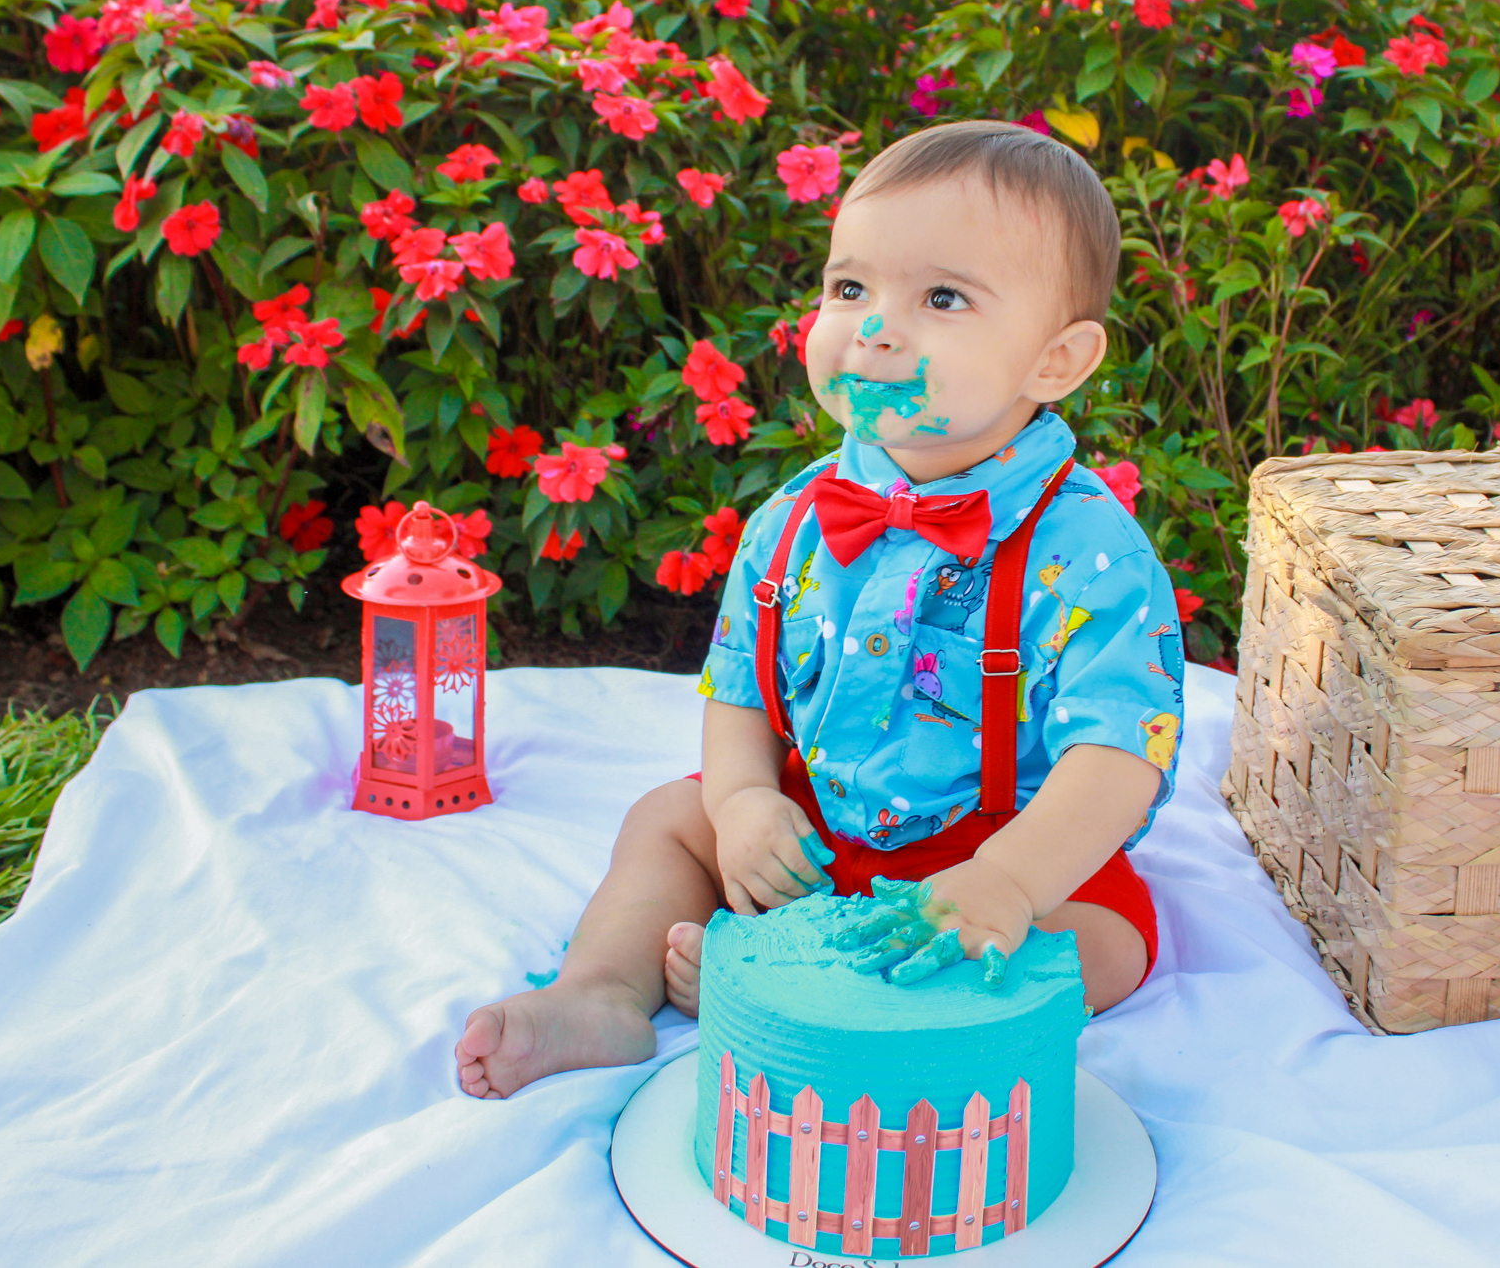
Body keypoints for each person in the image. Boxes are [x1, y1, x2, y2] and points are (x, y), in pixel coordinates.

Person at [456, 120, 1186, 1100]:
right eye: (850, 289)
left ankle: (826, 1002)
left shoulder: (1087, 552)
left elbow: (1116, 757)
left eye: (940, 297)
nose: (874, 327)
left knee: (1101, 947)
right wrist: (744, 803)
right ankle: (602, 990)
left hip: (994, 848)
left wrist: (1009, 881)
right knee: (669, 819)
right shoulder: (792, 520)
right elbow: (739, 689)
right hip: (819, 830)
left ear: (1053, 361)